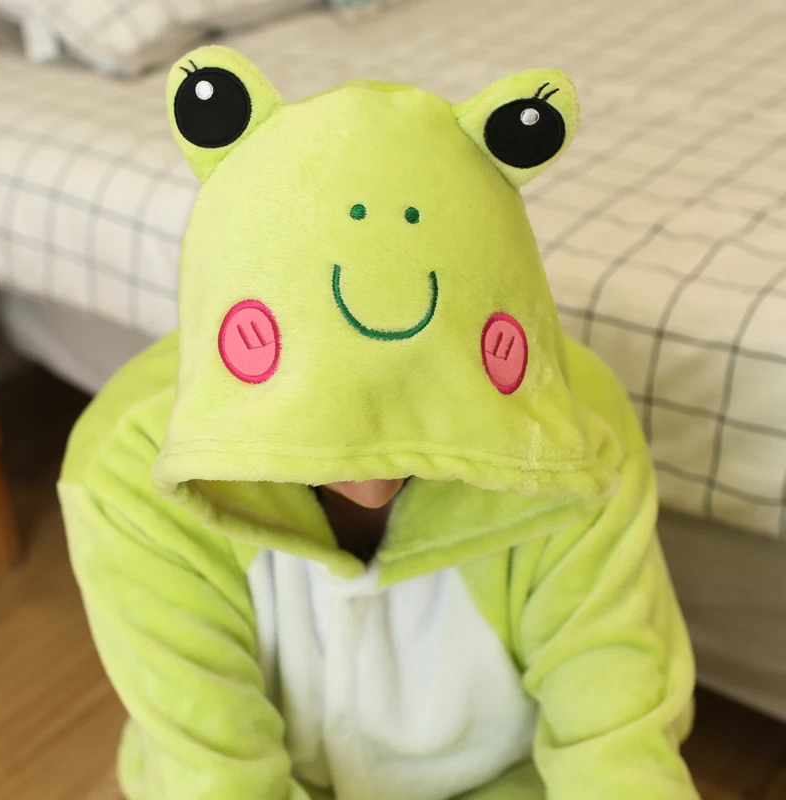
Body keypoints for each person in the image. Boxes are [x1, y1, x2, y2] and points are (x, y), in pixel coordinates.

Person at [59, 45, 700, 800]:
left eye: (414, 399)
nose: (371, 481)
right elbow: (215, 772)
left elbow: (613, 728)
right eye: (329, 414)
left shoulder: (575, 439)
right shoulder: (129, 466)